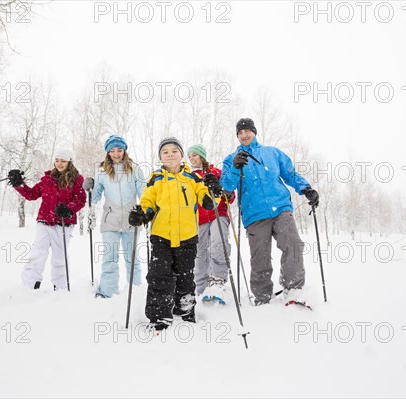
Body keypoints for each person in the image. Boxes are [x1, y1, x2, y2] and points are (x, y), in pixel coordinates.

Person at [220, 118, 319, 305]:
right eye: (240, 133)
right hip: (254, 214)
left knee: (293, 245)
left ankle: (294, 289)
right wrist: (235, 167)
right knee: (260, 257)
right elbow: (226, 186)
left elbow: (290, 174)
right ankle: (262, 298)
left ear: (254, 132)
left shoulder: (272, 153)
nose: (244, 135)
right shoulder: (231, 159)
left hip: (281, 207)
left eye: (247, 131)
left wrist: (306, 189)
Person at [128, 137, 222, 331]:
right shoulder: (155, 178)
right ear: (160, 157)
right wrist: (142, 214)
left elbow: (208, 201)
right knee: (159, 275)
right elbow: (148, 202)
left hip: (187, 237)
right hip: (161, 236)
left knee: (185, 276)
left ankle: (185, 309)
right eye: (165, 152)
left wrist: (215, 190)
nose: (170, 155)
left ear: (181, 155)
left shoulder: (192, 178)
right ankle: (159, 315)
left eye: (174, 151)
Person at [8, 147, 86, 290]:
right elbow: (31, 194)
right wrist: (18, 184)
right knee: (37, 254)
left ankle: (60, 287)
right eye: (57, 160)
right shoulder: (48, 179)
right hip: (44, 222)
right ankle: (29, 285)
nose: (59, 163)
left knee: (59, 257)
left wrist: (69, 209)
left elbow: (80, 199)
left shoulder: (77, 179)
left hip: (63, 224)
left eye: (63, 161)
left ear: (70, 162)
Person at [82, 135, 146, 298]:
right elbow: (94, 197)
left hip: (131, 220)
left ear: (125, 150)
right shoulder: (102, 172)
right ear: (108, 152)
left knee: (131, 257)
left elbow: (144, 194)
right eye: (112, 151)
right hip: (110, 219)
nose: (117, 154)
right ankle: (107, 291)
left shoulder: (135, 169)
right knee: (110, 257)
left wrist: (143, 212)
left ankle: (135, 290)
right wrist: (88, 188)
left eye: (120, 150)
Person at [187, 143, 235, 304]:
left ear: (202, 156)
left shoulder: (216, 172)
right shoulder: (189, 176)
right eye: (189, 156)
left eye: (194, 155)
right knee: (199, 251)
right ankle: (200, 287)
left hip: (217, 213)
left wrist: (225, 191)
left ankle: (217, 280)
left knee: (218, 242)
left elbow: (230, 196)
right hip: (199, 218)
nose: (191, 158)